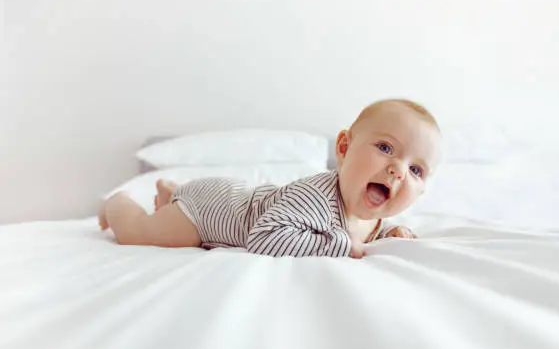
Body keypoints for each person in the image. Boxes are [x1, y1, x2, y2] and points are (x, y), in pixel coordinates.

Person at [98, 99, 441, 258]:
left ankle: (170, 193)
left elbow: (365, 233)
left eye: (415, 170)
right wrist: (338, 246)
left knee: (176, 203)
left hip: (235, 197)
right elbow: (264, 238)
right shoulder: (316, 196)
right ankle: (120, 204)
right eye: (385, 147)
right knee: (141, 235)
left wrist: (393, 233)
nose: (398, 169)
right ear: (344, 148)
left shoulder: (373, 218)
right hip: (210, 213)